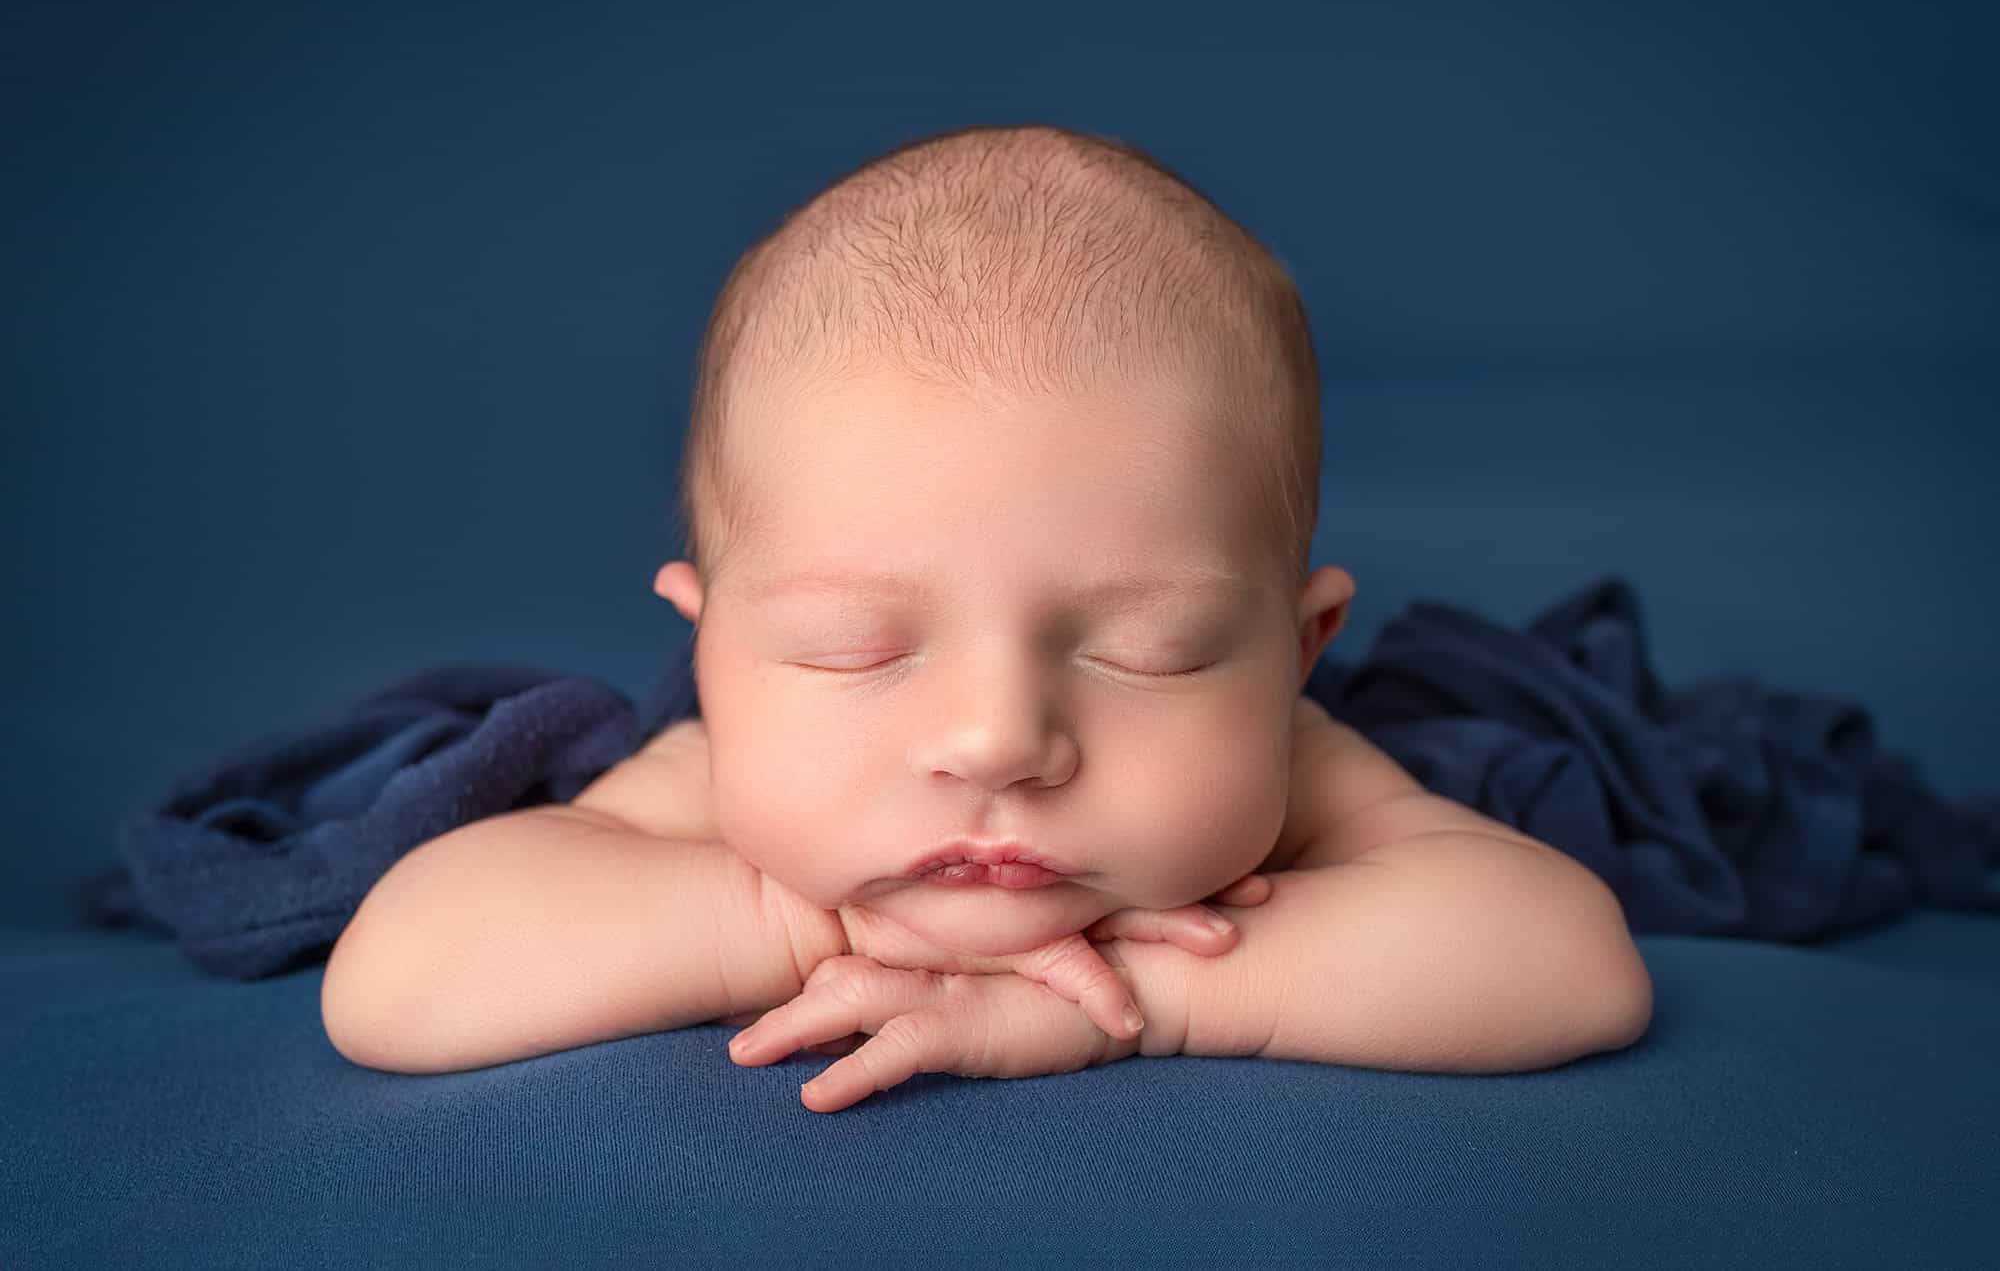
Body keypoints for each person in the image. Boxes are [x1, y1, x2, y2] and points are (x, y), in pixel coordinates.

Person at [321, 124, 1652, 1111]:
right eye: (856, 644)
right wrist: (801, 920)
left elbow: (1571, 966)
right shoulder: (715, 782)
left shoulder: (1303, 763)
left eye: (1153, 650)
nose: (997, 739)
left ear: (1296, 656)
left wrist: (1156, 1004)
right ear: (715, 657)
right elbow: (397, 980)